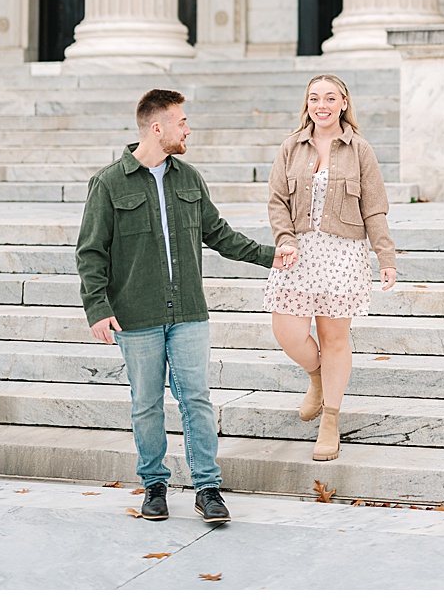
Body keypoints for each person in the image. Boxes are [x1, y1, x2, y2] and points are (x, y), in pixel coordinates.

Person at [76, 88, 289, 523]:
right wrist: (97, 307)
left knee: (197, 398)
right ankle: (154, 485)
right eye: (182, 122)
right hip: (136, 314)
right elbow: (91, 252)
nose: (188, 129)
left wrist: (271, 256)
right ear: (158, 128)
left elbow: (219, 234)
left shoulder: (189, 178)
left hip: (189, 310)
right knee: (147, 402)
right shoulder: (108, 183)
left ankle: (207, 489)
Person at [264, 74, 398, 461]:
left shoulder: (360, 150)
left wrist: (384, 256)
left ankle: (331, 420)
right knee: (287, 331)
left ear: (343, 103)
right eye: (314, 98)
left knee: (335, 339)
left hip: (343, 254)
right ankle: (318, 377)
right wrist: (284, 238)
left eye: (329, 98)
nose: (321, 105)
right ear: (307, 104)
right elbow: (276, 201)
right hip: (297, 253)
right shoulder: (291, 147)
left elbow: (374, 207)